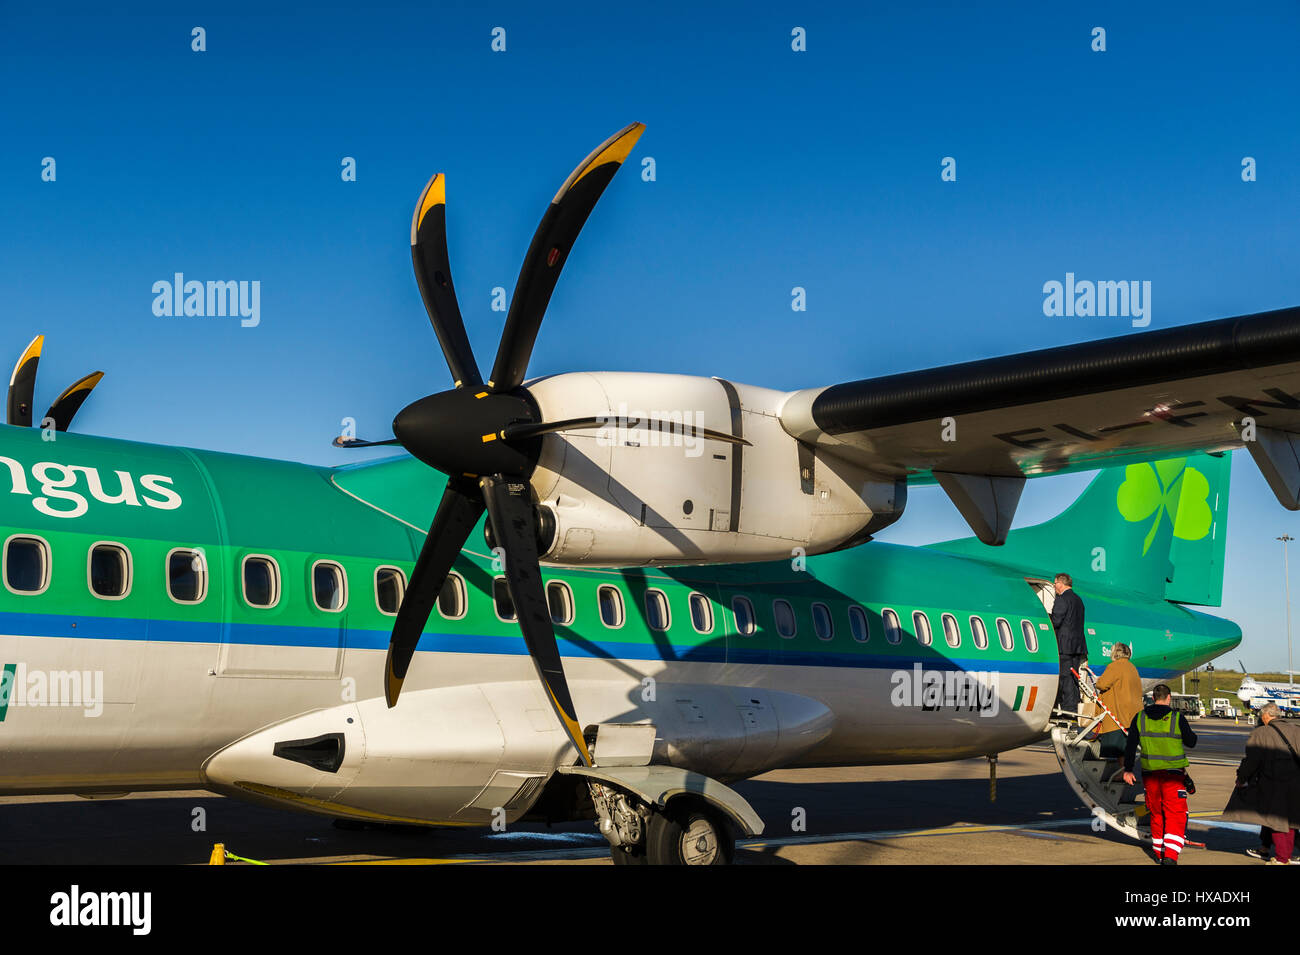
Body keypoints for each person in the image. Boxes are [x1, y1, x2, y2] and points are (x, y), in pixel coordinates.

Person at [1123, 683, 1197, 864]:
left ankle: (1159, 851)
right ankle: (1170, 856)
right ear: (1169, 697)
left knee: (1156, 813)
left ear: (1153, 698)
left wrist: (1128, 769)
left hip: (1150, 776)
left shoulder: (1139, 718)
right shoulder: (1176, 717)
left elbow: (1130, 746)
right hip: (1173, 776)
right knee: (1175, 814)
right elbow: (1191, 742)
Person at [1222, 701, 1300, 864]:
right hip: (1295, 782)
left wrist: (1241, 778)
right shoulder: (1296, 730)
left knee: (1276, 820)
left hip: (1273, 783)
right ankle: (1280, 853)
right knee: (1291, 821)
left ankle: (1281, 858)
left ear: (1265, 715)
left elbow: (1252, 761)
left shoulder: (1261, 732)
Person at [1093, 643, 1142, 758]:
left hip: (1116, 716)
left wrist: (1099, 680)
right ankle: (1122, 772)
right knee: (1126, 750)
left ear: (1116, 653)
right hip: (1131, 716)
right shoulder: (1132, 667)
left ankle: (1119, 773)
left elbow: (1102, 684)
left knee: (1114, 752)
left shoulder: (1115, 666)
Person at [1049, 573, 1087, 715]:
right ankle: (1074, 706)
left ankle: (1068, 709)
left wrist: (1047, 620)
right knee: (1073, 677)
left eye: (1055, 583)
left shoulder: (1062, 599)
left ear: (1061, 583)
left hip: (1065, 645)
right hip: (1077, 645)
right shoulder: (1078, 600)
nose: (1054, 586)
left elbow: (1056, 621)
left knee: (1065, 678)